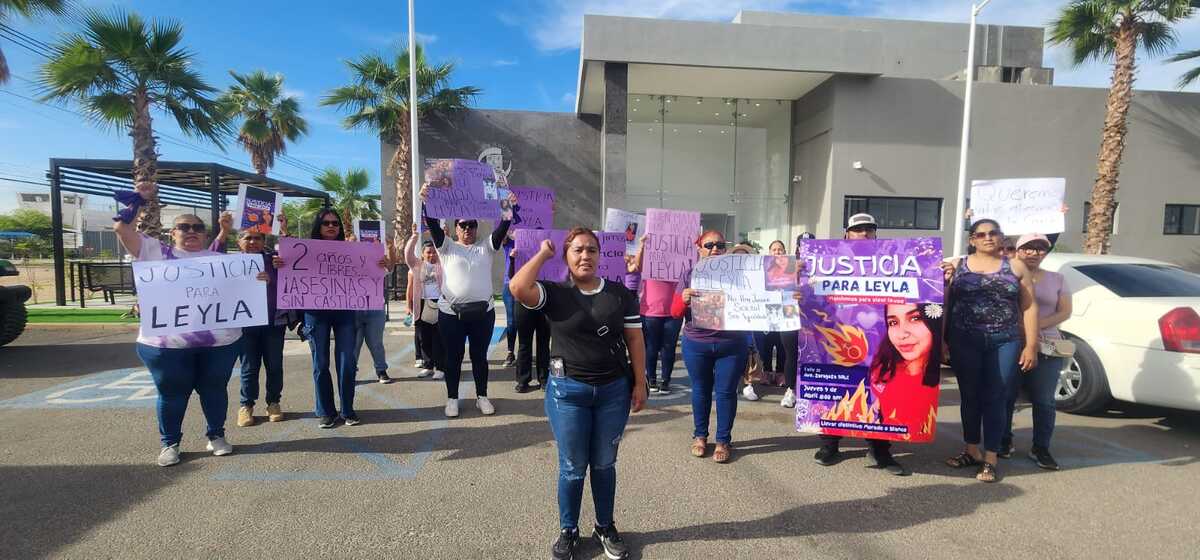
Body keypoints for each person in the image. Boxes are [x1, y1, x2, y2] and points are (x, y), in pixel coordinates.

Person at [509, 227, 647, 560]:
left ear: (600, 256)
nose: (585, 256)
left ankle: (604, 526)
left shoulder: (620, 295)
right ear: (567, 256)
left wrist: (640, 383)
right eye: (577, 251)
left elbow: (635, 341)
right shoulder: (555, 293)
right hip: (568, 393)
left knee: (604, 464)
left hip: (613, 392)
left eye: (591, 250)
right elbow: (517, 287)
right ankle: (568, 531)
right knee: (572, 466)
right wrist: (543, 253)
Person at [113, 182, 264, 466]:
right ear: (173, 233)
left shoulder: (221, 260)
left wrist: (258, 281)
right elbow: (122, 230)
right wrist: (140, 199)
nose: (191, 231)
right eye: (184, 227)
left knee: (215, 390)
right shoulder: (153, 252)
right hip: (166, 345)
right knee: (172, 394)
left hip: (220, 343)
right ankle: (170, 443)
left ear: (206, 234)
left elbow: (243, 288)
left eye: (197, 227)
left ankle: (216, 436)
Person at [812, 213, 911, 475]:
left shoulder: (892, 262)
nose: (864, 234)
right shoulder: (827, 261)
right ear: (847, 234)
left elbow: (915, 289)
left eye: (869, 229)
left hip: (880, 340)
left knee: (880, 393)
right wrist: (800, 278)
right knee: (834, 390)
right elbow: (811, 295)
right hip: (838, 338)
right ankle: (829, 444)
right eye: (858, 230)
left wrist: (941, 273)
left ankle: (880, 450)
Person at [944, 218, 1039, 483]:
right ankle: (971, 450)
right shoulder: (957, 266)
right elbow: (945, 303)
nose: (988, 237)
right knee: (970, 396)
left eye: (993, 233)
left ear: (1001, 237)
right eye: (981, 234)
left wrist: (1031, 345)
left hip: (1004, 340)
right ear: (972, 239)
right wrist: (942, 341)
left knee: (997, 396)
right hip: (964, 339)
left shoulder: (1016, 266)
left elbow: (1029, 308)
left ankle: (991, 457)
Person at [274, 209, 387, 428]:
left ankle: (347, 409)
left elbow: (369, 272)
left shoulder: (351, 251)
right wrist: (281, 260)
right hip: (315, 313)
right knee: (321, 362)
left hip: (345, 311)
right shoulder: (306, 249)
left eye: (335, 223)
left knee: (347, 361)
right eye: (326, 223)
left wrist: (379, 263)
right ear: (319, 225)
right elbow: (288, 261)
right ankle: (325, 410)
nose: (331, 226)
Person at [420, 184, 514, 418]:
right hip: (451, 314)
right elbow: (431, 223)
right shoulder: (446, 246)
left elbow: (503, 226)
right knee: (453, 357)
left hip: (483, 313)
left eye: (472, 224)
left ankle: (482, 396)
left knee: (479, 357)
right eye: (463, 225)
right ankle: (452, 399)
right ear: (455, 228)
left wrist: (507, 203)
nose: (468, 228)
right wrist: (426, 201)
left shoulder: (487, 247)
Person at [673, 230, 748, 463]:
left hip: (732, 344)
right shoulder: (689, 275)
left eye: (720, 245)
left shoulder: (741, 276)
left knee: (726, 393)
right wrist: (682, 299)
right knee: (700, 390)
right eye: (709, 245)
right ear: (699, 249)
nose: (715, 249)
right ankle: (700, 436)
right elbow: (674, 313)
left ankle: (724, 439)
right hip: (697, 344)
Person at [1002, 233, 1071, 470]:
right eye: (1028, 248)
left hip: (1047, 346)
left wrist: (1035, 327)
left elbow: (1064, 312)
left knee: (1044, 401)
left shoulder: (1058, 279)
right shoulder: (1006, 275)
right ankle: (1003, 440)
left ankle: (1041, 447)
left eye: (1040, 248)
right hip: (1011, 344)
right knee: (1006, 396)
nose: (1034, 252)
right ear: (1018, 250)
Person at [230, 218, 288, 427]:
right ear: (239, 242)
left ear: (263, 241)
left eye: (257, 238)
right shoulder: (230, 264)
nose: (253, 241)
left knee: (274, 366)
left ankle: (273, 402)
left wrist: (273, 278)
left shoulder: (275, 260)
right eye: (248, 238)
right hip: (246, 324)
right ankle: (246, 405)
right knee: (249, 367)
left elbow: (291, 277)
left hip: (273, 322)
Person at [870, 303, 943, 439]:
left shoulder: (933, 379)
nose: (902, 334)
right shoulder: (885, 367)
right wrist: (880, 399)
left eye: (915, 318)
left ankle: (880, 451)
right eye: (893, 322)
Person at [630, 234, 682, 395]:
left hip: (673, 311)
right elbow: (637, 266)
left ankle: (665, 380)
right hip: (650, 311)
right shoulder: (649, 260)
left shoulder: (679, 261)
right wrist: (642, 245)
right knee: (651, 348)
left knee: (669, 348)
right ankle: (651, 378)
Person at [352, 231, 397, 385]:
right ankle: (351, 371)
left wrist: (390, 248)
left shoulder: (378, 261)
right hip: (354, 308)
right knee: (354, 343)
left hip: (375, 308)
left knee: (376, 342)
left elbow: (390, 268)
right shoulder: (348, 262)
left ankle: (381, 370)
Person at [404, 223, 445, 379]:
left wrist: (444, 237)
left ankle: (440, 368)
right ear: (422, 254)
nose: (431, 255)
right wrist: (414, 237)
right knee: (424, 337)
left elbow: (445, 252)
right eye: (428, 252)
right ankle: (428, 365)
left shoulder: (442, 265)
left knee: (439, 338)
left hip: (439, 303)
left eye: (434, 252)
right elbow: (407, 254)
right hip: (421, 304)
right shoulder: (416, 265)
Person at [501, 232, 518, 367]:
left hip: (533, 281)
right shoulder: (509, 240)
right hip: (510, 283)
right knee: (511, 320)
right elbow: (501, 233)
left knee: (534, 321)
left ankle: (528, 353)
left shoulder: (535, 234)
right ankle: (510, 351)